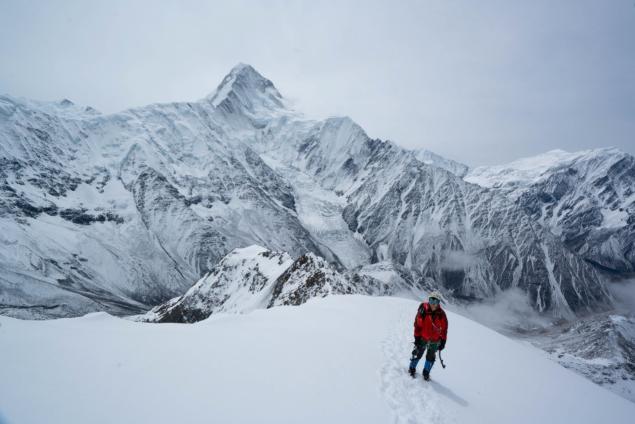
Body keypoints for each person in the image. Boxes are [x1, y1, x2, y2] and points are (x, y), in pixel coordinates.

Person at [408, 290, 448, 380]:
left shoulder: (441, 314)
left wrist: (443, 341)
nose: (433, 304)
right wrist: (417, 337)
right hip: (423, 337)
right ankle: (412, 368)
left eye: (436, 301)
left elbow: (444, 329)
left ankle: (426, 372)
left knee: (430, 357)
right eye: (431, 301)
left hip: (435, 339)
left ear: (439, 303)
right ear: (428, 300)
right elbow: (417, 325)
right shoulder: (423, 310)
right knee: (418, 353)